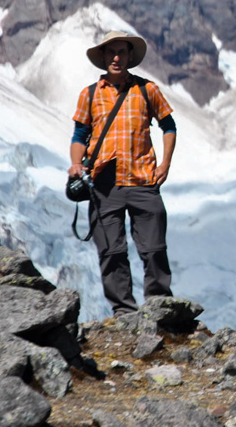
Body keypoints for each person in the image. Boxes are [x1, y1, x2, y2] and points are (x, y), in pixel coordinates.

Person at [69, 30, 178, 315]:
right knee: (111, 253)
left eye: (121, 52)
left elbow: (169, 126)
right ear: (104, 57)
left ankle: (159, 308)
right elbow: (80, 134)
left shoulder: (147, 90)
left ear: (130, 57)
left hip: (143, 178)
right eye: (111, 52)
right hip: (103, 183)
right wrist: (76, 163)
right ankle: (124, 314)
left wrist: (165, 163)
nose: (116, 58)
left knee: (154, 249)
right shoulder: (89, 95)